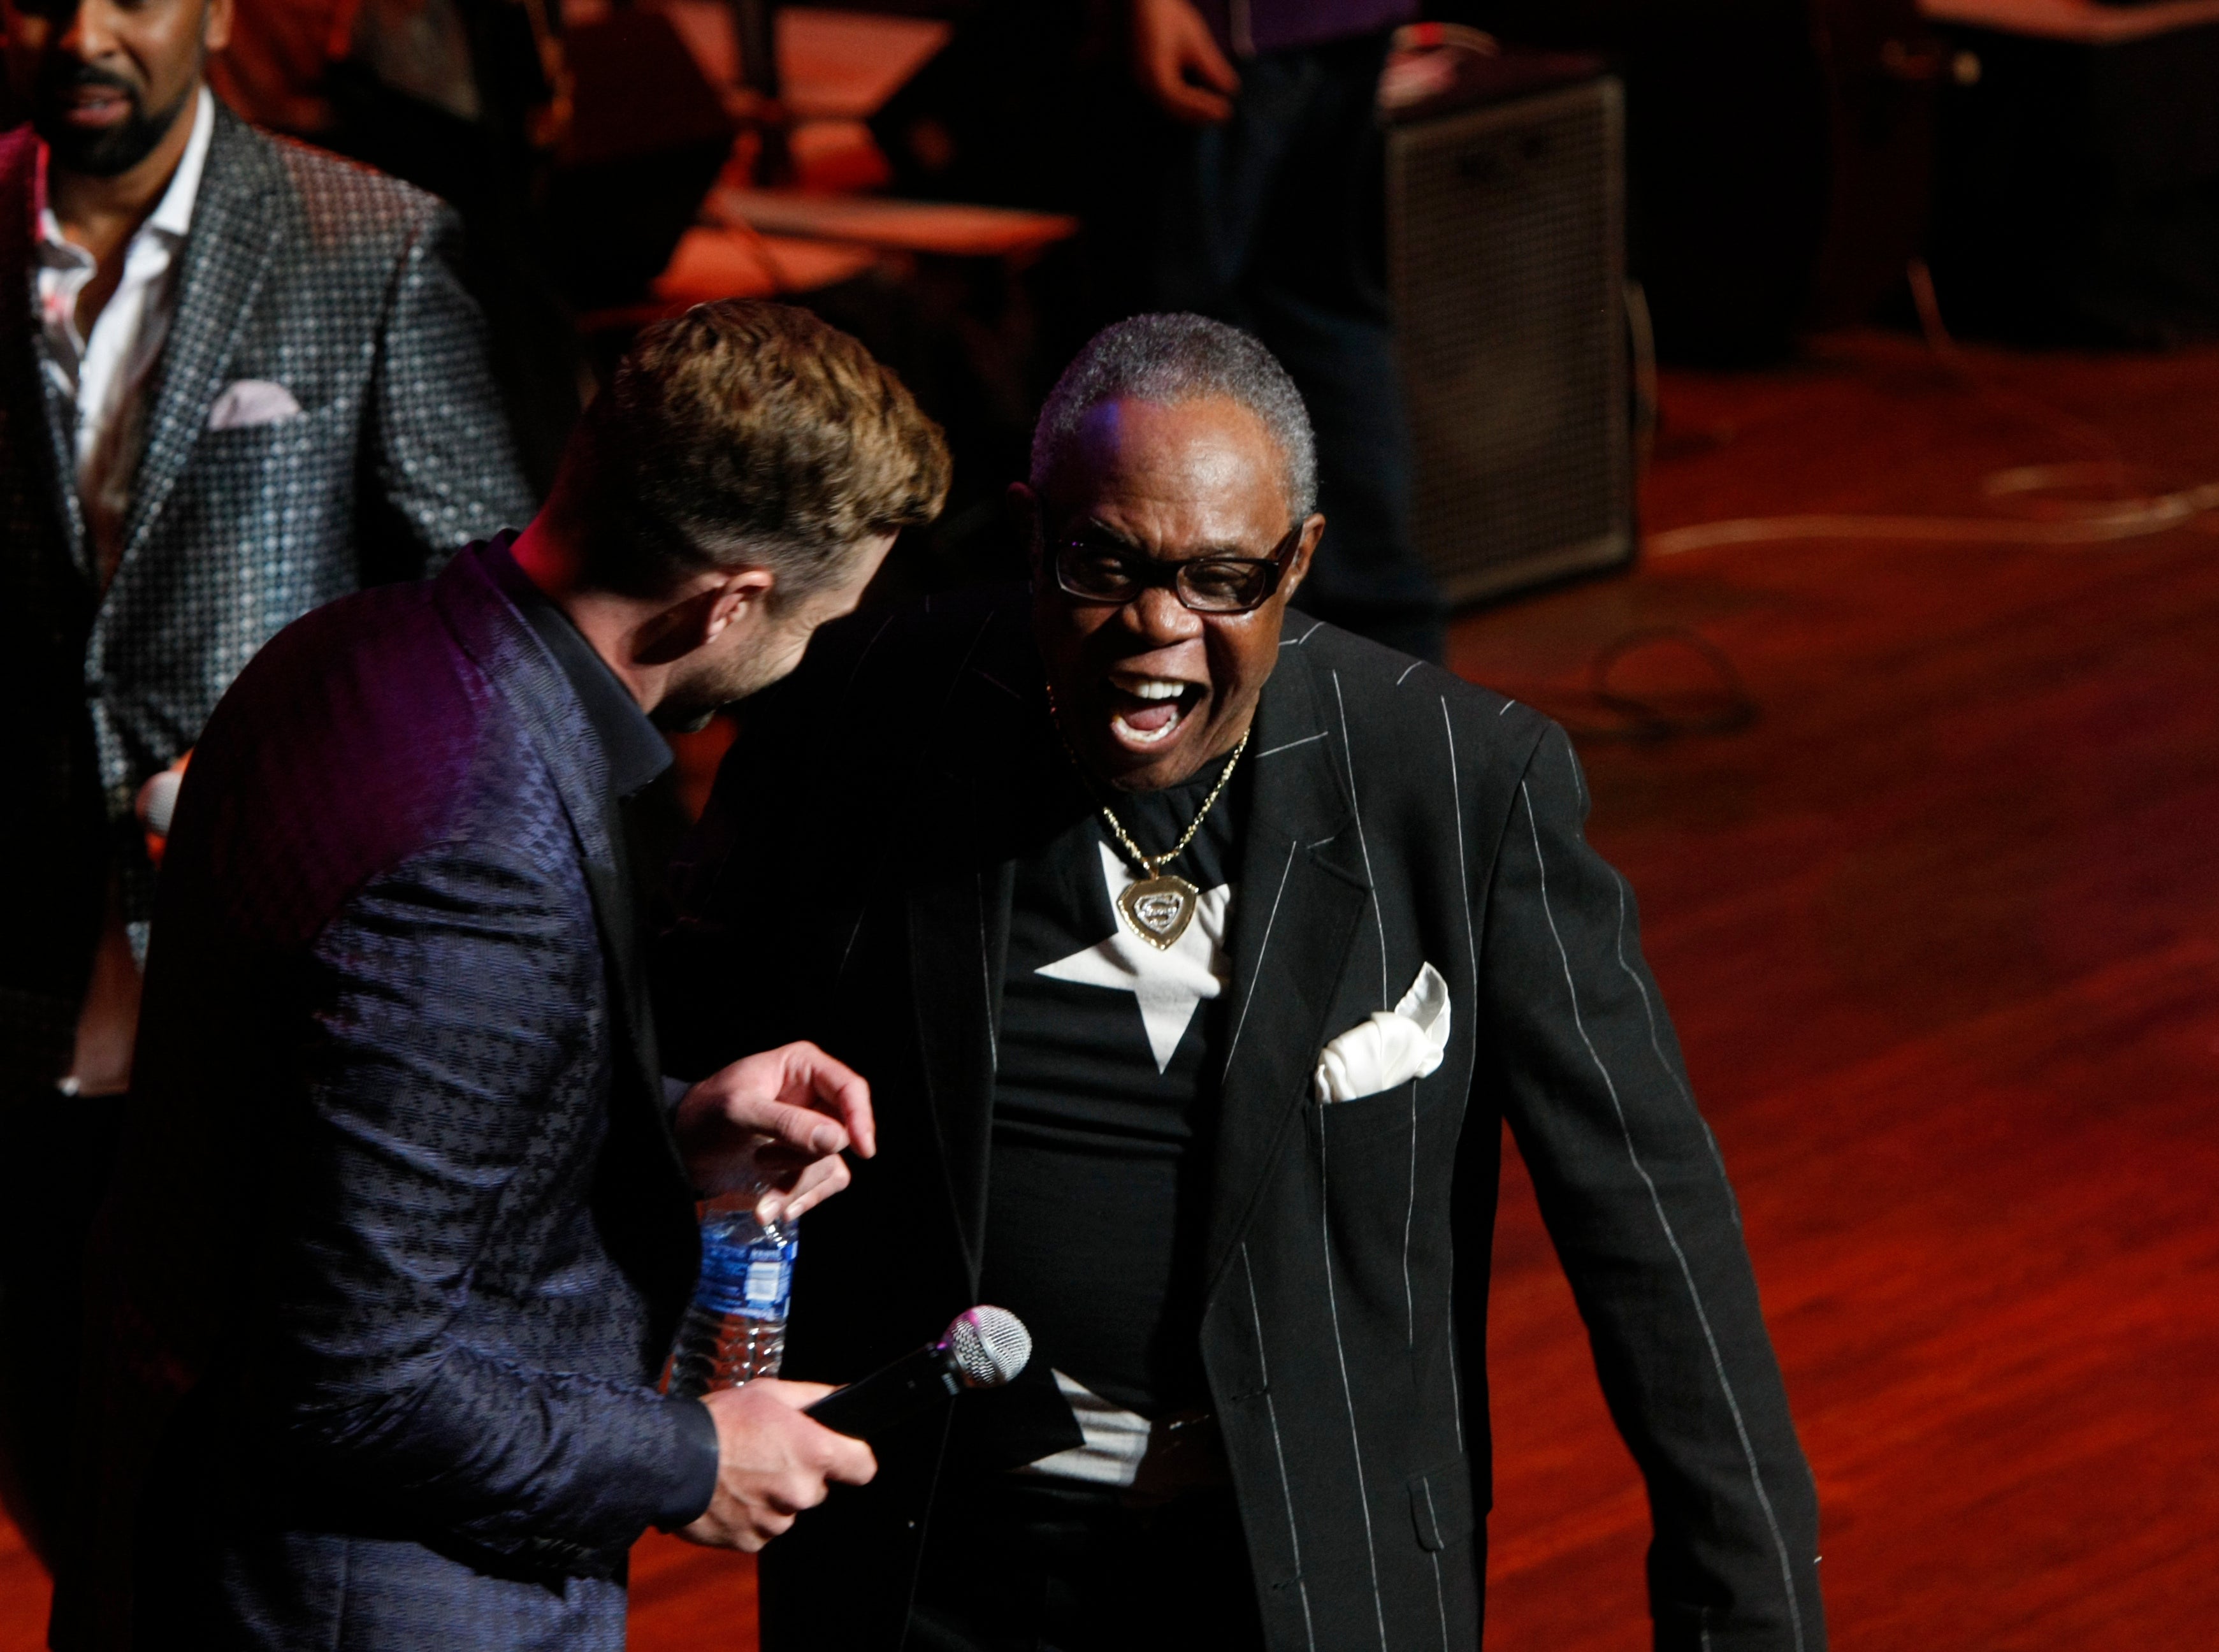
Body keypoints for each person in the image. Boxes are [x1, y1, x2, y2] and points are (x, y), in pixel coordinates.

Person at [661, 313, 1821, 1651]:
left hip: (1306, 1583)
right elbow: (666, 1055)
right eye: (1104, 564)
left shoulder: (1455, 785)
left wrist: (1749, 1621)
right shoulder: (865, 710)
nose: (1159, 629)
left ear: (1303, 559)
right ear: (1032, 527)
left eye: (1225, 579)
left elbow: (1655, 1245)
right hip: (932, 1561)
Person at [61, 301, 951, 1652]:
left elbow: (334, 1121)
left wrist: (663, 1123)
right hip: (358, 1603)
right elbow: (356, 1380)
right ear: (728, 601)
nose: (804, 664)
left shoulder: (350, 652)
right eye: (817, 627)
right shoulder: (480, 856)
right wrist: (693, 1459)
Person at [0, 0, 534, 1569]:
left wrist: (283, 782)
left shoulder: (364, 241)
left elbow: (479, 622)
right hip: (17, 976)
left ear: (221, 9)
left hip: (260, 976)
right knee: (54, 1464)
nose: (86, 29)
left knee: (243, 1478)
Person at [1077, 0, 1449, 665]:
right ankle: (1391, 675)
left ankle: (1223, 657)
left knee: (1174, 347)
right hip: (1339, 20)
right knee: (1324, 312)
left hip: (1233, 30)